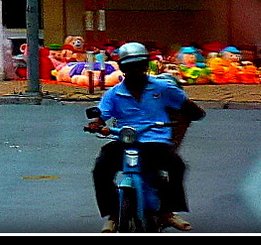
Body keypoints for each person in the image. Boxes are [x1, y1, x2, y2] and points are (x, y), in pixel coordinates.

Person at [85, 40, 204, 232]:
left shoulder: (162, 88)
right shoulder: (114, 94)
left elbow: (187, 105)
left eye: (140, 65)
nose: (136, 71)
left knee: (177, 165)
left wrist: (191, 114)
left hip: (156, 140)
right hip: (124, 140)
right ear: (123, 68)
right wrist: (96, 124)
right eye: (130, 67)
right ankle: (113, 214)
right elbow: (102, 114)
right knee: (100, 168)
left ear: (146, 66)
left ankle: (166, 212)